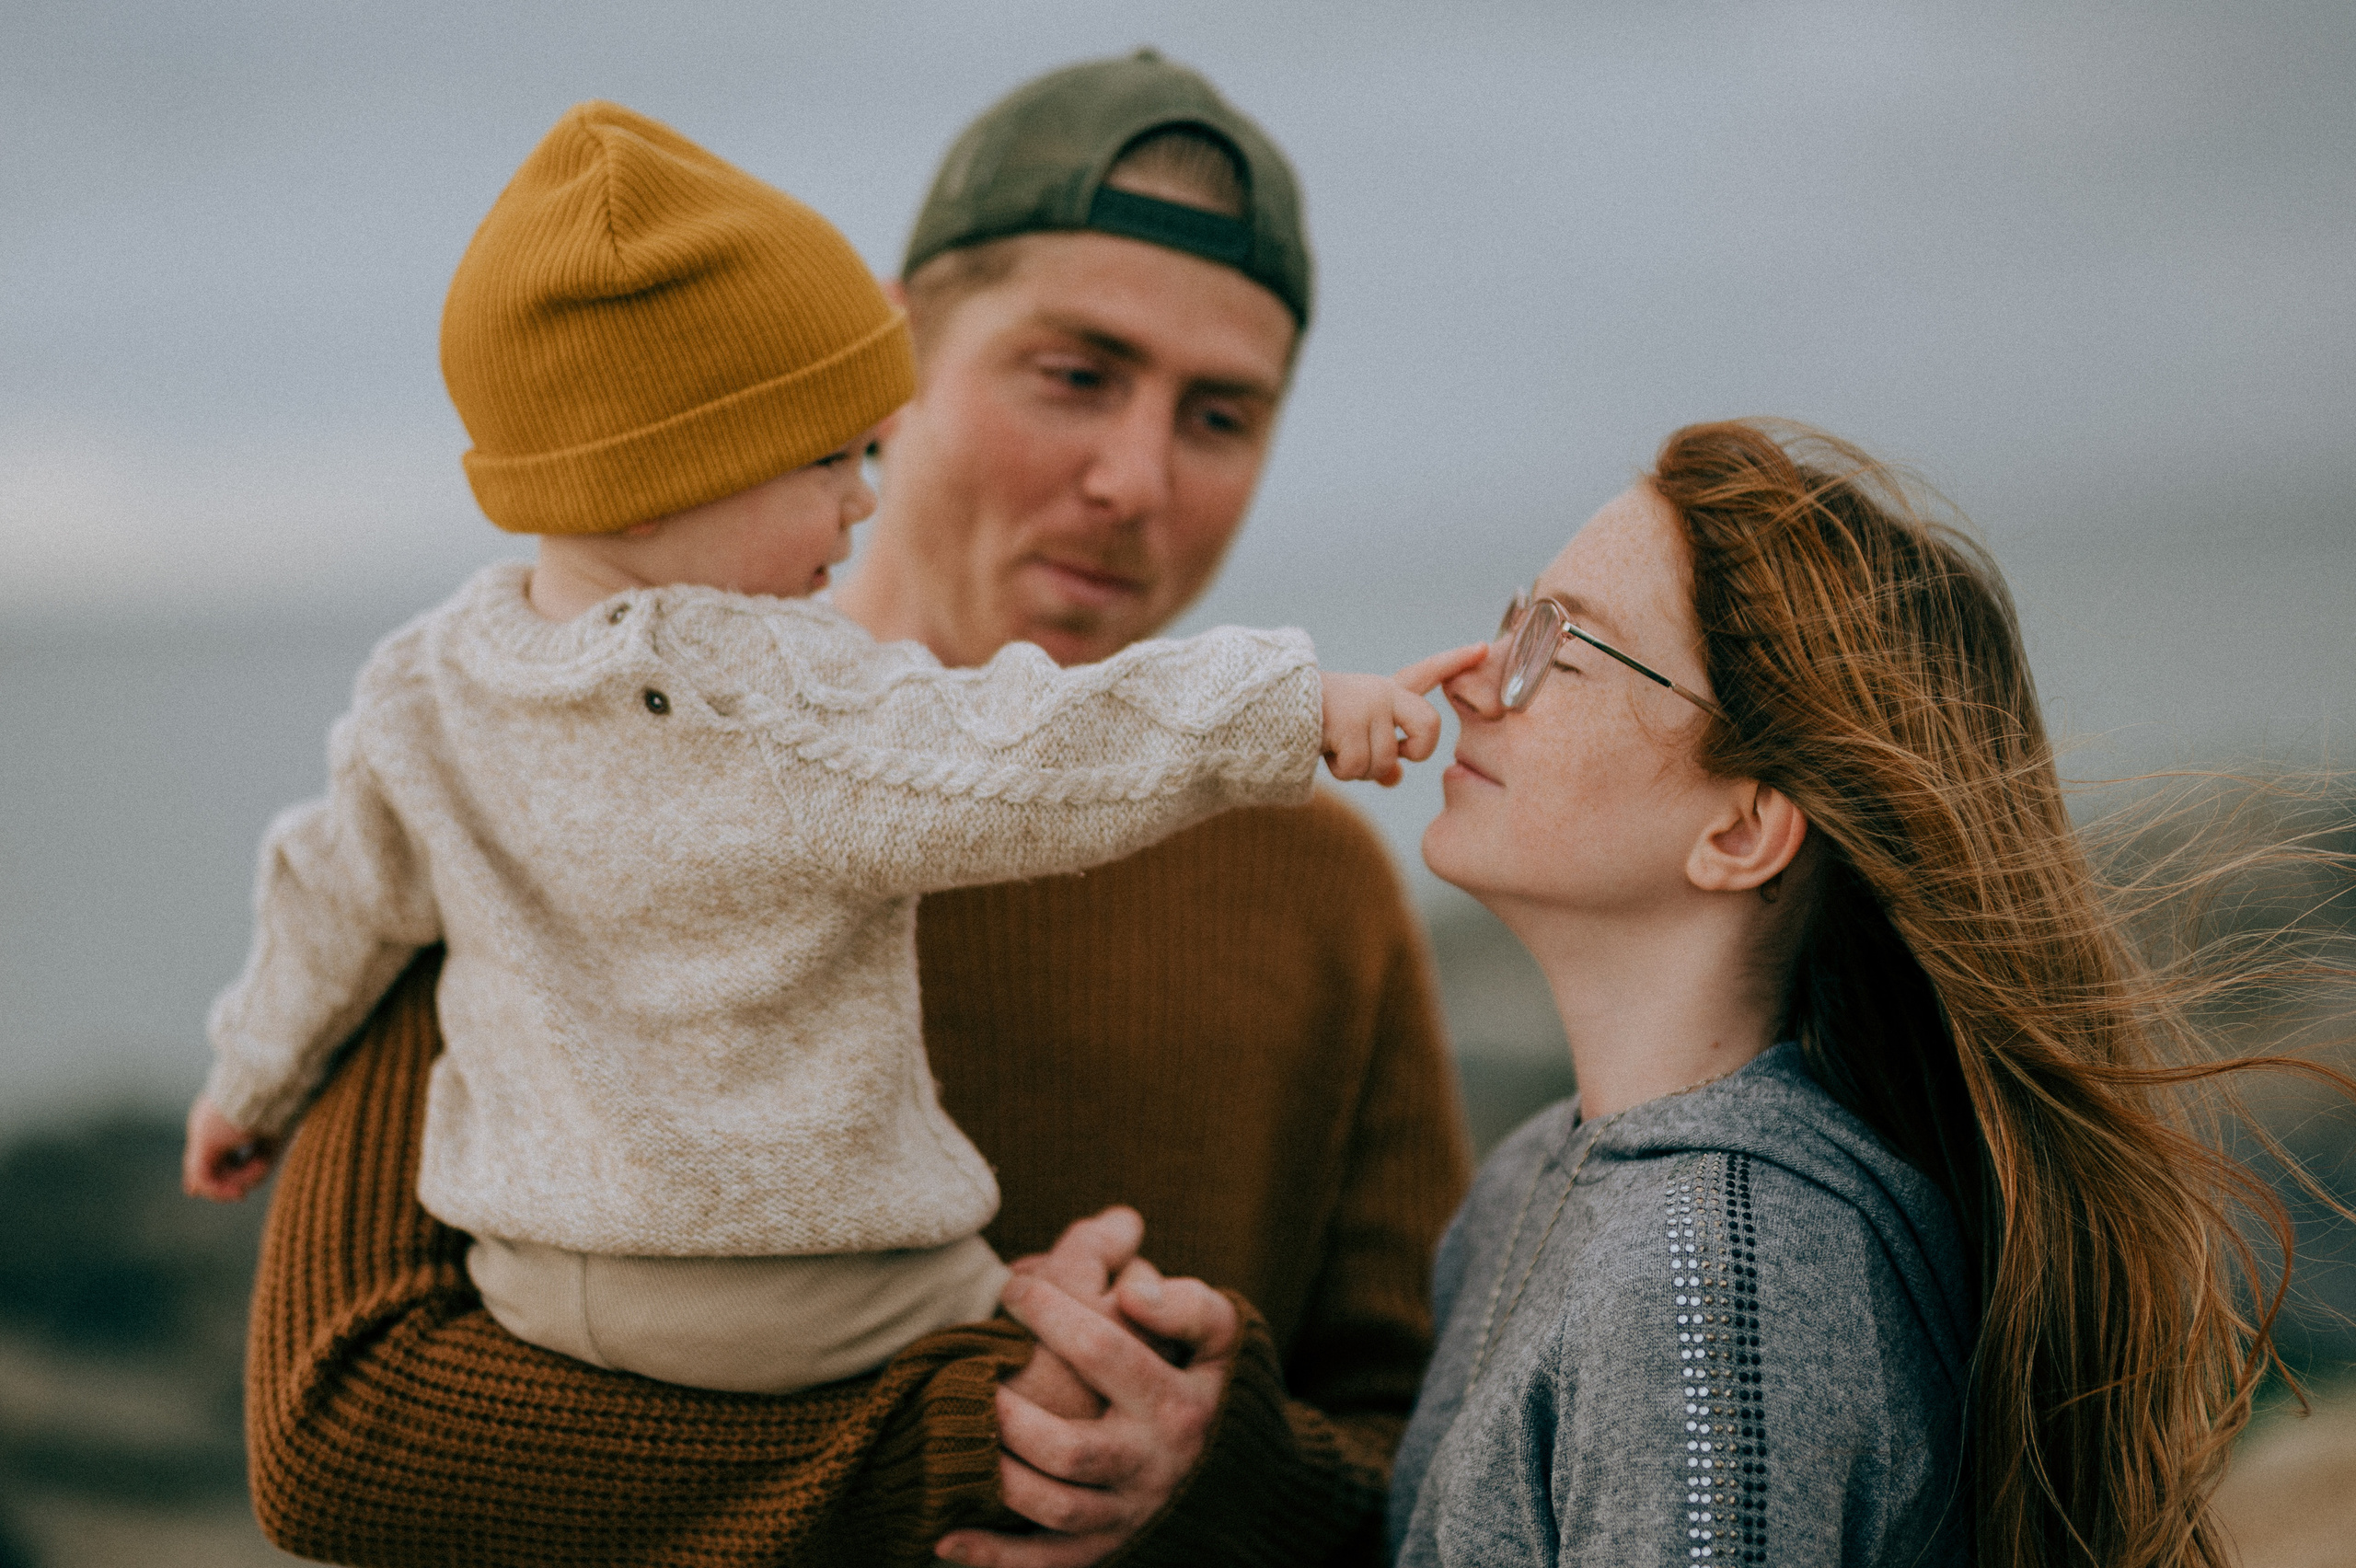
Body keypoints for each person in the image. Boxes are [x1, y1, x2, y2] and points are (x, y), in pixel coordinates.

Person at [229, 52, 1474, 1568]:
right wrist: (969, 1439)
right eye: (1075, 373)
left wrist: (1203, 1460)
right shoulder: (553, 741)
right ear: (897, 355)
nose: (1135, 477)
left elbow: (1425, 1454)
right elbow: (342, 1428)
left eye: (1221, 415)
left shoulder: (1317, 881)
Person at [1388, 419, 2349, 1565]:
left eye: (1565, 647)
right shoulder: (1539, 1179)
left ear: (1741, 830)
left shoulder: (1713, 1292)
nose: (1472, 677)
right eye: (1514, 619)